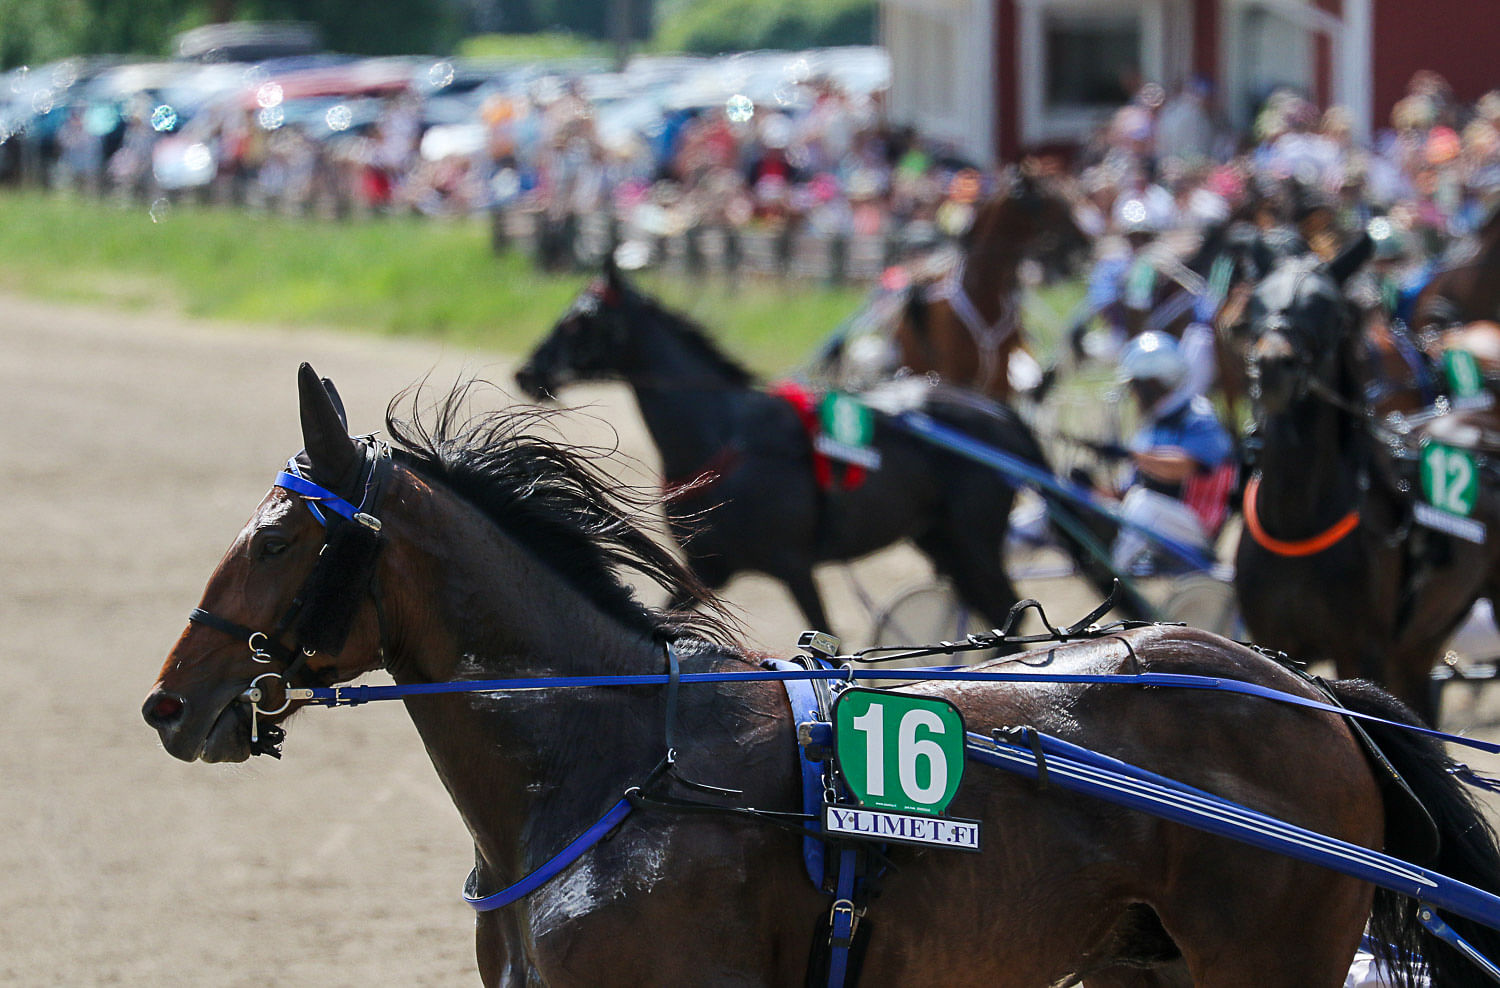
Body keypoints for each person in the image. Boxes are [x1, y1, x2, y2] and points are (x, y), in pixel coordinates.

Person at [1108, 331, 1235, 574]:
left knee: (1142, 504)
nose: (1132, 395)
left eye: (1135, 385)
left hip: (1199, 524)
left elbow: (1182, 467)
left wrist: (1130, 455)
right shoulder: (1152, 425)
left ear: (1152, 384)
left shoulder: (1198, 418)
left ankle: (1115, 576)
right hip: (1161, 518)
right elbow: (1125, 492)